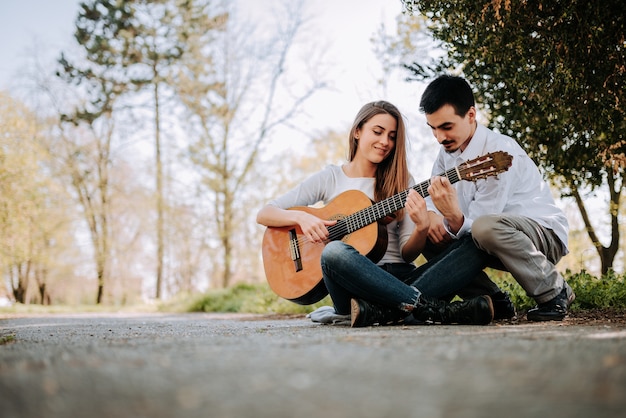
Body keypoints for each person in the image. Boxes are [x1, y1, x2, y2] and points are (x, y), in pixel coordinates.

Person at [256, 100, 494, 327]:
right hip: (353, 286)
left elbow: (407, 254)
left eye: (392, 136)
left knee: (476, 240)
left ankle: (385, 312)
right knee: (333, 252)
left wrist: (421, 227)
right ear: (358, 131)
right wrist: (302, 217)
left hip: (402, 279)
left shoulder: (403, 182)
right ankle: (430, 308)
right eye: (378, 131)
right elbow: (265, 213)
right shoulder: (331, 177)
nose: (385, 141)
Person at [419, 75, 575, 321]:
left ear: (471, 115)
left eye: (446, 127)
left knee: (483, 227)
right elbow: (431, 195)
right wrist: (431, 215)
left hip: (540, 236)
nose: (440, 137)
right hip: (488, 240)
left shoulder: (499, 153)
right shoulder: (445, 154)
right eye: (433, 129)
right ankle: (494, 301)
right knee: (427, 232)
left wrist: (452, 218)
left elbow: (481, 223)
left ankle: (554, 291)